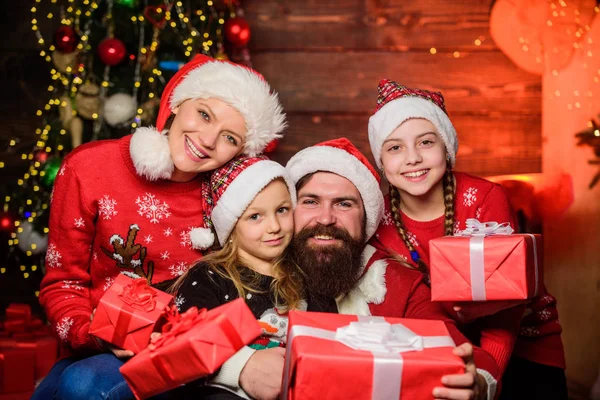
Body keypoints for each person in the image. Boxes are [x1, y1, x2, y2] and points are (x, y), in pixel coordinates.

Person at [33, 54, 287, 400]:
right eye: (203, 114)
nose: (209, 140)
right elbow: (62, 284)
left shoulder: (230, 198)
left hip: (186, 353)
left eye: (230, 137)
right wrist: (92, 332)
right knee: (61, 389)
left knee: (83, 387)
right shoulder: (88, 169)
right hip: (96, 346)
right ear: (176, 103)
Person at [365, 79, 566, 399]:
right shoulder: (378, 218)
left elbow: (507, 307)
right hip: (440, 347)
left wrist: (487, 375)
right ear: (381, 161)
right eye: (395, 147)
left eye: (426, 142)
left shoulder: (485, 198)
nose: (412, 158)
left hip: (522, 346)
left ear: (447, 147)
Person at [284, 137, 498, 400]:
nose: (326, 218)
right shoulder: (259, 268)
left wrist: (477, 382)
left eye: (343, 204)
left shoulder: (398, 283)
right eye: (310, 201)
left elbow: (466, 354)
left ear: (366, 219)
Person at [171, 156, 336, 400]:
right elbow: (184, 349)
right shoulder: (210, 277)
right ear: (231, 225)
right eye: (255, 216)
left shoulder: (306, 274)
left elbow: (328, 339)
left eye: (282, 210)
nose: (274, 227)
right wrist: (237, 369)